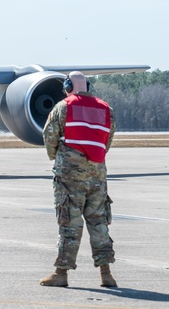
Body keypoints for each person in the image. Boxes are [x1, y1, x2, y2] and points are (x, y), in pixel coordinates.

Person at [39, 71, 117, 288]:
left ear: (67, 85)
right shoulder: (106, 108)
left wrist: (58, 156)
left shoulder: (64, 106)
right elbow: (107, 140)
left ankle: (61, 273)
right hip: (97, 174)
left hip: (70, 175)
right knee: (99, 222)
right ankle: (106, 274)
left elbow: (50, 136)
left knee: (69, 223)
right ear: (88, 86)